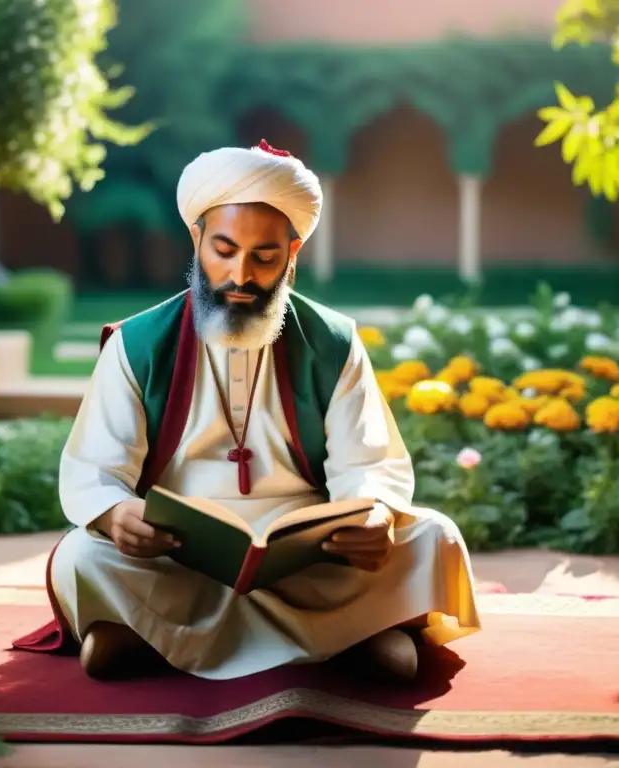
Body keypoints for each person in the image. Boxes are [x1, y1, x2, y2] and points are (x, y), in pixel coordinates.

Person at [49, 139, 481, 681]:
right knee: (82, 555)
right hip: (180, 554)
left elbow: (368, 464)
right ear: (196, 237)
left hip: (309, 552)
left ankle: (147, 639)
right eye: (224, 251)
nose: (241, 275)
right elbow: (96, 470)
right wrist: (117, 517)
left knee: (433, 538)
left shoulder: (334, 341)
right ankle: (356, 637)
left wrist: (373, 515)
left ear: (293, 253)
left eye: (265, 257)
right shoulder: (136, 344)